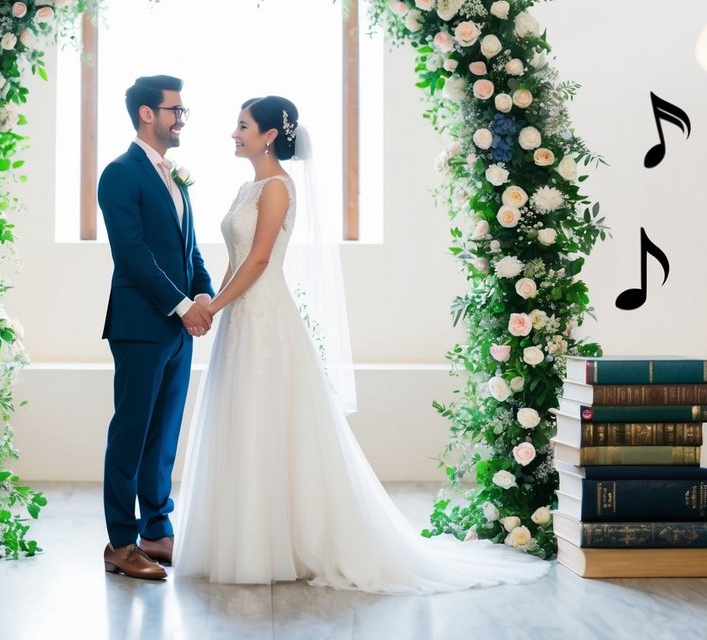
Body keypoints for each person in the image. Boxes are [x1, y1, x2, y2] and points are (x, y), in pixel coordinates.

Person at [173, 96, 551, 593]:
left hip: (267, 319)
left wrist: (214, 308)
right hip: (239, 319)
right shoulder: (246, 187)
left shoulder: (278, 189)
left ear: (268, 135)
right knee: (241, 420)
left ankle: (286, 543)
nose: (233, 133)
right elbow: (237, 259)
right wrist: (211, 303)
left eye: (241, 126)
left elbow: (262, 261)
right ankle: (247, 540)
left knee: (274, 422)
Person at [97, 75, 215, 580]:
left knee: (163, 435)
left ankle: (156, 531)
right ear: (148, 113)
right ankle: (120, 543)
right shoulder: (119, 174)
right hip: (141, 325)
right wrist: (182, 304)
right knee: (131, 434)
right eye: (175, 110)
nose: (180, 118)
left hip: (178, 328)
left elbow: (188, 247)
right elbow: (133, 255)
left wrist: (204, 290)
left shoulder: (176, 178)